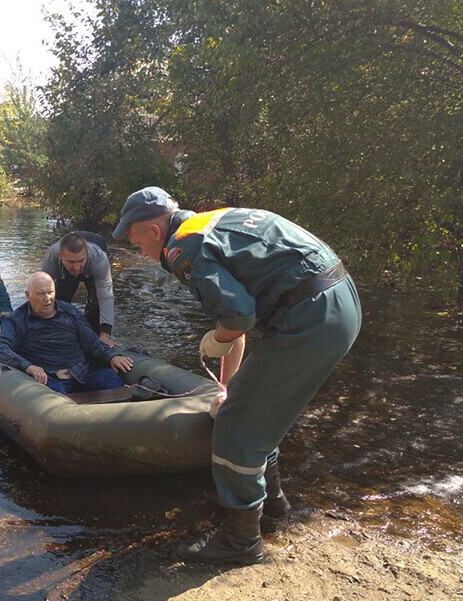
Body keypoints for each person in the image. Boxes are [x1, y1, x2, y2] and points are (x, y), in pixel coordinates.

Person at [113, 186, 361, 565]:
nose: (142, 254)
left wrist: (215, 340)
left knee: (235, 428)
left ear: (153, 230)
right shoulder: (210, 222)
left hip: (310, 316)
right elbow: (239, 321)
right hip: (337, 299)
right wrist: (226, 386)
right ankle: (275, 508)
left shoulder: (183, 248)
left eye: (137, 242)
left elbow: (236, 320)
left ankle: (241, 541)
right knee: (255, 413)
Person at [0, 272, 133, 395]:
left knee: (109, 377)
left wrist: (112, 357)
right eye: (40, 294)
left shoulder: (70, 312)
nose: (47, 299)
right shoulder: (16, 320)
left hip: (80, 374)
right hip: (47, 378)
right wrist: (28, 366)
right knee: (56, 398)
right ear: (28, 295)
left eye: (50, 292)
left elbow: (92, 344)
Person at [41, 231, 116, 347]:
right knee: (60, 302)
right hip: (64, 271)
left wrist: (105, 335)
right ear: (60, 256)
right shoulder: (52, 258)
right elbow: (42, 292)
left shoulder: (99, 259)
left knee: (95, 306)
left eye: (81, 261)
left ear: (87, 254)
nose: (76, 268)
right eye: (71, 262)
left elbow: (106, 297)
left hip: (95, 262)